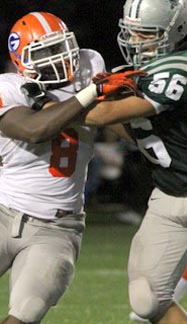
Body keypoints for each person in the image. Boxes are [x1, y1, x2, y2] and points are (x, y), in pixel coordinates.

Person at [0, 11, 127, 324]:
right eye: (44, 52)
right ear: (21, 61)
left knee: (25, 315)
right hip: (3, 211)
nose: (57, 57)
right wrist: (90, 94)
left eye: (60, 47)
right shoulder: (9, 87)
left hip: (58, 227)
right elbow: (34, 130)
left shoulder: (89, 65)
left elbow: (115, 118)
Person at [79, 0, 187, 323]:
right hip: (169, 193)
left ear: (174, 30)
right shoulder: (144, 71)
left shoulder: (183, 67)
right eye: (132, 33)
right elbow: (132, 129)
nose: (135, 42)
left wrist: (64, 107)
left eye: (146, 34)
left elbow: (104, 113)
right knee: (148, 298)